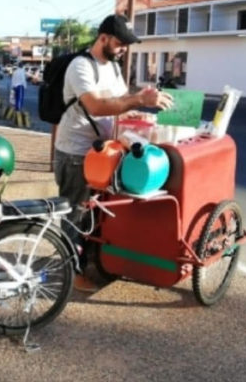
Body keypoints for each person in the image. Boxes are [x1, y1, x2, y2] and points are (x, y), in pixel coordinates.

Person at [53, 14, 174, 292]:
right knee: (74, 215)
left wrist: (142, 116)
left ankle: (91, 263)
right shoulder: (81, 66)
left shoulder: (115, 68)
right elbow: (96, 106)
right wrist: (139, 99)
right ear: (103, 37)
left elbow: (121, 104)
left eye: (126, 45)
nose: (123, 49)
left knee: (94, 215)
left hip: (105, 154)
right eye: (120, 43)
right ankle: (69, 274)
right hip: (76, 153)